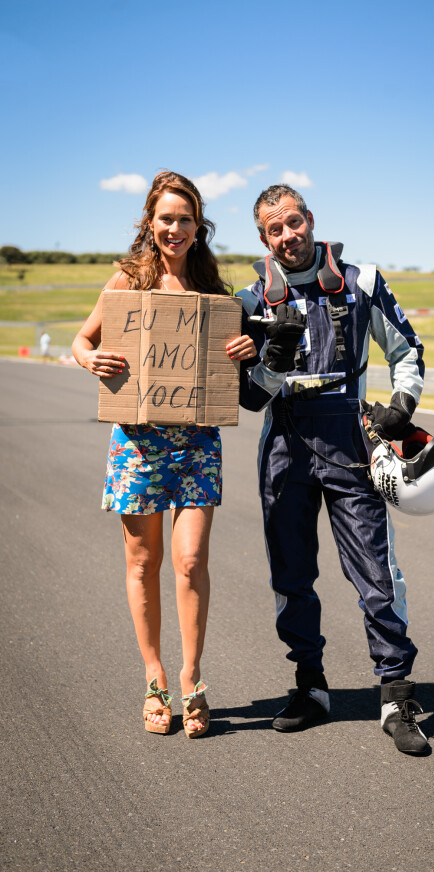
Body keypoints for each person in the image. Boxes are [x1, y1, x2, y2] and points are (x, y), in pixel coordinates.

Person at [237, 184, 428, 754]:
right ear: (264, 239)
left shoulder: (361, 280)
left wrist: (402, 406)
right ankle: (311, 687)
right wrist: (270, 360)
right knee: (291, 576)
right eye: (275, 230)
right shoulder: (250, 301)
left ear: (309, 220)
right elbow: (250, 400)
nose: (288, 235)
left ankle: (395, 694)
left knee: (375, 572)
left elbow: (407, 351)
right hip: (283, 444)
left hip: (350, 435)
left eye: (294, 222)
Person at [72, 171, 256, 738]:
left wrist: (242, 349)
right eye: (166, 218)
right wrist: (89, 360)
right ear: (150, 224)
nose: (175, 228)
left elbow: (229, 362)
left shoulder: (211, 288)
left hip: (197, 444)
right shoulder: (129, 280)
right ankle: (155, 679)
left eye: (186, 219)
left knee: (191, 560)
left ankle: (193, 677)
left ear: (200, 227)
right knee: (142, 561)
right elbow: (84, 340)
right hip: (136, 441)